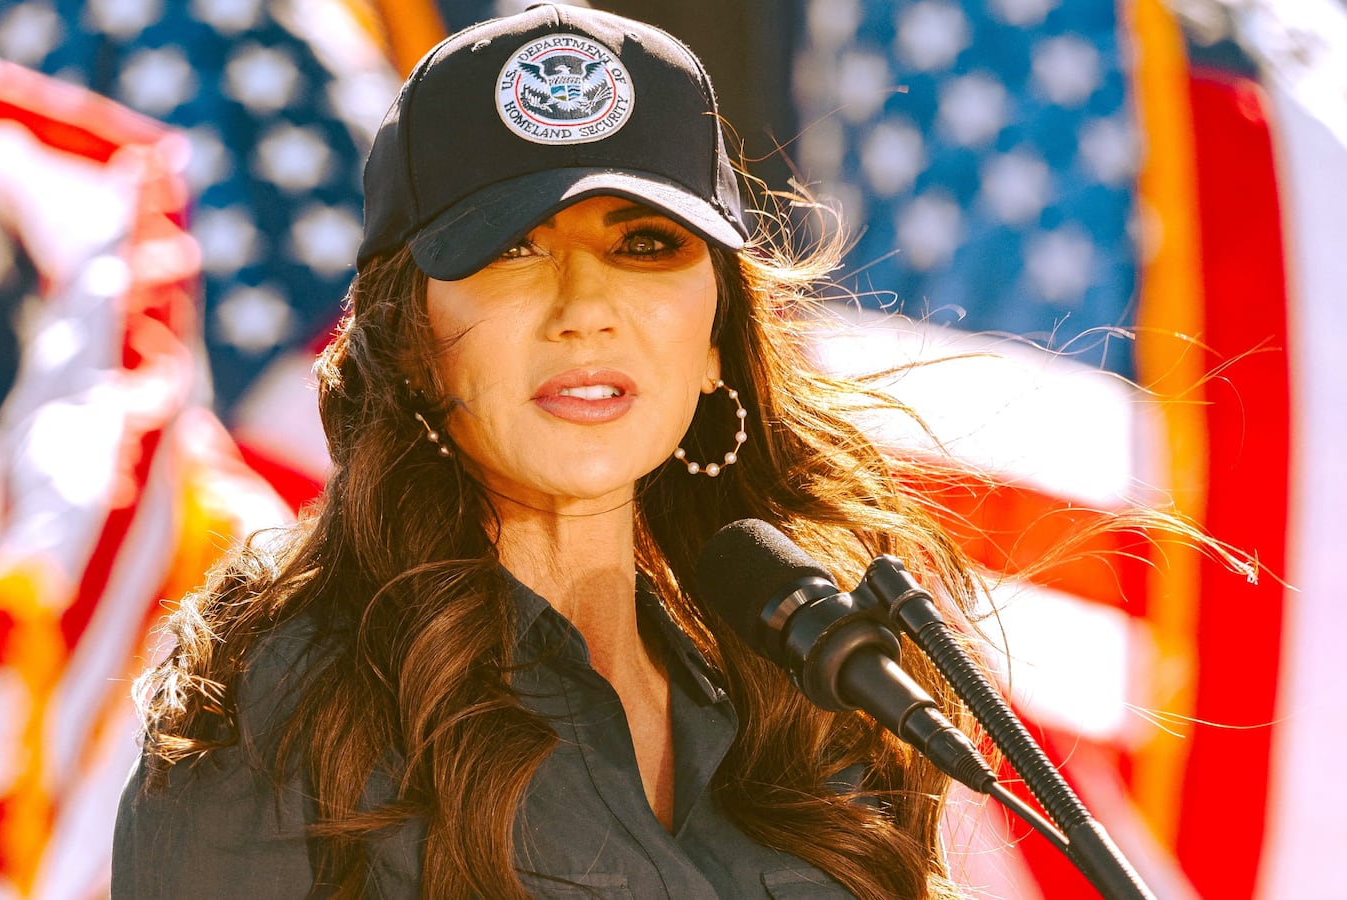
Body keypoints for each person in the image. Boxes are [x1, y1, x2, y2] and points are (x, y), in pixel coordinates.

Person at [113, 5, 984, 898]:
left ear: (718, 332)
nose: (584, 307)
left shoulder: (812, 702)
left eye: (645, 244)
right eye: (512, 248)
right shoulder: (283, 711)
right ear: (411, 335)